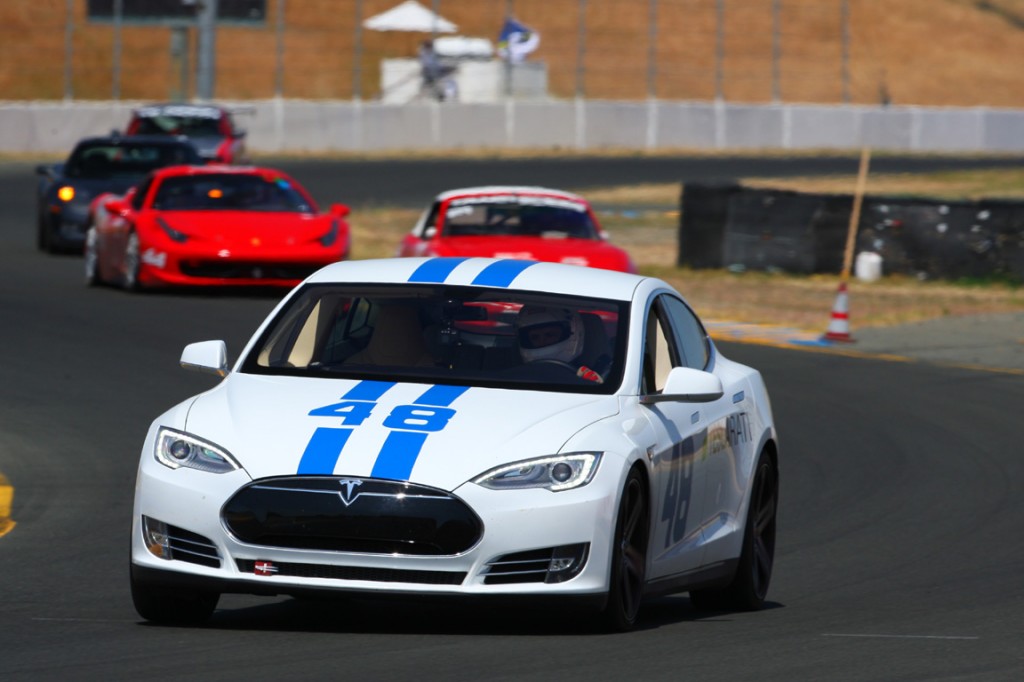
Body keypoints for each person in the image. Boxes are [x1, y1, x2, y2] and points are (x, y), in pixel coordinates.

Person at [515, 305, 604, 383]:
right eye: (535, 337)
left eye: (549, 335)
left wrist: (592, 384)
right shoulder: (516, 377)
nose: (542, 341)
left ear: (572, 332)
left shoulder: (585, 376)